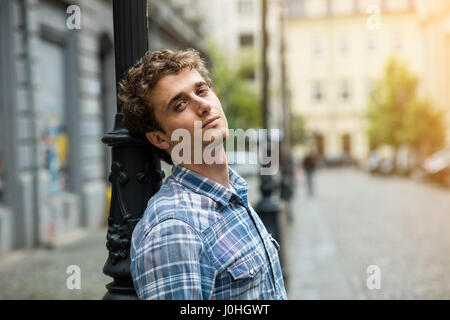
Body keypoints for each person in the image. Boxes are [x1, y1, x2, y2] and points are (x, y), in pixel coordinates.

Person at [119, 49, 287, 300]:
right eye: (180, 105)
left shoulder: (233, 194)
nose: (203, 106)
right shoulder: (174, 230)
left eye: (201, 91)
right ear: (159, 138)